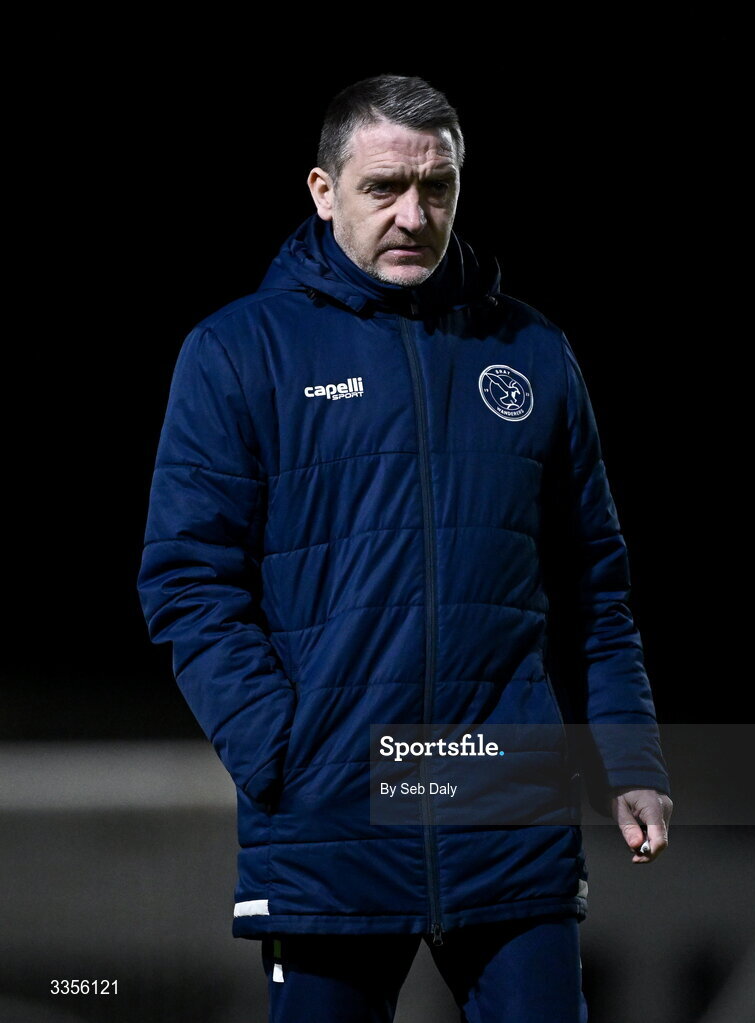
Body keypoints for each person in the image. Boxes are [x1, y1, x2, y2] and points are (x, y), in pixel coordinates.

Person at [138, 74, 673, 1022]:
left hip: (506, 807)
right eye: (384, 187)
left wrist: (628, 757)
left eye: (437, 187)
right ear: (323, 190)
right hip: (331, 815)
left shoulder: (533, 351)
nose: (413, 216)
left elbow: (595, 585)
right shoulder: (238, 352)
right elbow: (187, 579)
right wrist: (285, 752)